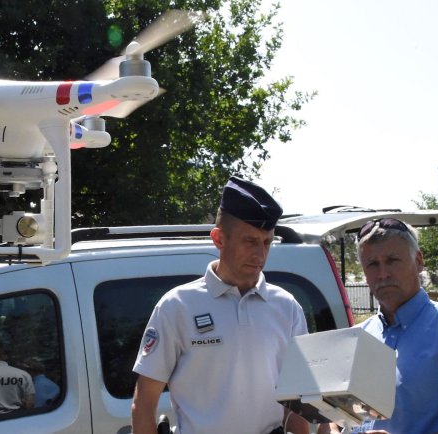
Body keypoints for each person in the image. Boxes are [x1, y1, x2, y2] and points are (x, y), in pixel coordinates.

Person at [131, 176, 310, 434]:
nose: (260, 255)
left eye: (267, 242)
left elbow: (298, 403)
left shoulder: (286, 307)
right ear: (219, 239)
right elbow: (144, 404)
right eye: (250, 241)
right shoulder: (177, 306)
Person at [321, 218, 438, 434]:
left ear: (419, 260)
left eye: (392, 260)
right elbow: (337, 419)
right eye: (372, 264)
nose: (383, 273)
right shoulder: (358, 337)